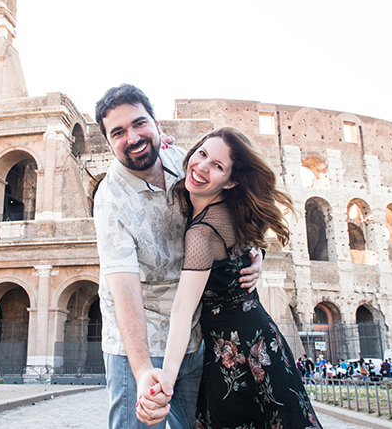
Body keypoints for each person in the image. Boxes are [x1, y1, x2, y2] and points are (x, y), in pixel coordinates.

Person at [93, 86, 262, 429]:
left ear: (156, 123)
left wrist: (252, 252)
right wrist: (142, 371)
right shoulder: (109, 201)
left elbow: (225, 208)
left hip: (194, 333)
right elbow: (125, 290)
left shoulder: (181, 159)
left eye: (140, 123)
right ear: (108, 143)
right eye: (118, 132)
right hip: (139, 343)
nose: (133, 137)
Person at [138, 127, 321, 428]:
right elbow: (252, 239)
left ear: (231, 180)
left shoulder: (202, 232)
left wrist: (165, 383)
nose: (202, 167)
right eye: (202, 153)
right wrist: (259, 253)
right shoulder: (233, 209)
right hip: (264, 343)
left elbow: (183, 310)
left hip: (235, 353)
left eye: (218, 166)